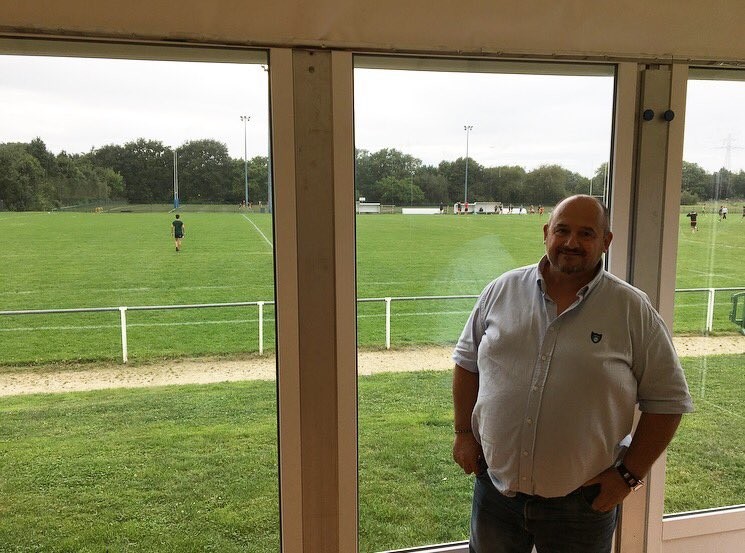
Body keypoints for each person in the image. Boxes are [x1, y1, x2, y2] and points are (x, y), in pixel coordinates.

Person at [452, 195, 693, 553]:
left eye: (586, 233)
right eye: (562, 230)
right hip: (496, 492)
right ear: (546, 233)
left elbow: (669, 400)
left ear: (606, 241)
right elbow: (466, 362)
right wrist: (463, 433)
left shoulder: (631, 308)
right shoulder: (502, 290)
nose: (571, 242)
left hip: (582, 504)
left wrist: (628, 476)